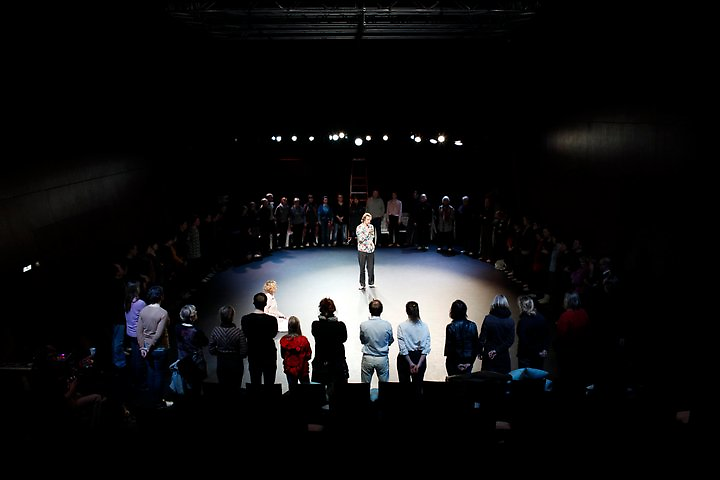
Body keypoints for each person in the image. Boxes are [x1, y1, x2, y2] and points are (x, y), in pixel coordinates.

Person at [137, 285, 172, 409]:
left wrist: (143, 347)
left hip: (147, 348)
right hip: (159, 348)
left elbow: (139, 332)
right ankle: (158, 402)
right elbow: (158, 335)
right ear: (161, 296)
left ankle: (152, 399)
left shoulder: (143, 310)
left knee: (150, 372)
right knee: (159, 374)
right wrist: (148, 347)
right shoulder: (163, 312)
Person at [311, 298, 349, 398]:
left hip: (321, 363)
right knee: (339, 396)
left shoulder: (316, 325)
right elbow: (344, 339)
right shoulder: (340, 326)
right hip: (337, 363)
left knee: (320, 397)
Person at [208, 304, 248, 396]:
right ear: (232, 317)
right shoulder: (238, 332)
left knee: (224, 389)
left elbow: (211, 349)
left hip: (222, 362)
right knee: (236, 389)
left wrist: (220, 353)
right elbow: (244, 351)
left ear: (220, 316)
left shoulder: (216, 331)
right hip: (236, 363)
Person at [240, 292, 279, 385]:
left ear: (254, 303)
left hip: (254, 354)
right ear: (265, 304)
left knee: (255, 383)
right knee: (269, 384)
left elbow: (245, 334)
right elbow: (273, 334)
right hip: (269, 354)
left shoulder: (245, 319)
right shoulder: (272, 320)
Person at [175, 304, 209, 399]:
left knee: (186, 384)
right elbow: (205, 342)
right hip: (196, 362)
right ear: (192, 317)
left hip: (182, 360)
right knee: (196, 385)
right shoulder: (197, 331)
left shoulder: (177, 327)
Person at [396, 300, 431, 393]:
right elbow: (426, 347)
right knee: (418, 388)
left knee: (404, 389)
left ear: (406, 311)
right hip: (419, 357)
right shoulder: (424, 326)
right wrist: (418, 364)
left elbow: (402, 348)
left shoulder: (401, 326)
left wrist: (410, 363)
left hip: (405, 359)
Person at [478, 294, 516, 374]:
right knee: (503, 379)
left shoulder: (488, 319)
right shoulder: (510, 321)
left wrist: (480, 351)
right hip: (503, 355)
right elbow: (510, 340)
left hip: (489, 354)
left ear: (494, 304)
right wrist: (497, 350)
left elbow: (482, 338)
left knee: (488, 378)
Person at [359, 299, 394, 384]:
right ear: (381, 310)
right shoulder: (387, 325)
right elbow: (390, 340)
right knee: (384, 386)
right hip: (382, 358)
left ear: (370, 310)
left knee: (365, 386)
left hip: (368, 357)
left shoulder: (363, 325)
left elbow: (362, 340)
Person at [444, 299, 479, 377]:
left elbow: (449, 349)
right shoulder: (473, 325)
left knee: (453, 383)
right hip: (468, 362)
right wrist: (469, 363)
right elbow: (476, 346)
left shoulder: (450, 327)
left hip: (453, 363)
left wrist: (457, 364)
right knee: (465, 383)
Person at [516, 295, 549, 370]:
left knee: (525, 376)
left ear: (522, 307)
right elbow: (546, 335)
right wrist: (545, 349)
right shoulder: (541, 318)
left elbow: (524, 341)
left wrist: (536, 352)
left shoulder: (523, 322)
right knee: (537, 375)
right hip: (539, 355)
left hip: (526, 357)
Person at [279, 316, 312, 390]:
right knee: (307, 392)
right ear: (298, 326)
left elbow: (283, 355)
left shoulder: (284, 340)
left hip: (289, 369)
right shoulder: (303, 340)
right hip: (303, 369)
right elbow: (309, 355)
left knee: (293, 391)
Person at [356, 212, 376, 290]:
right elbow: (360, 239)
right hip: (362, 250)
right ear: (364, 219)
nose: (369, 221)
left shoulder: (371, 227)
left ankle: (371, 282)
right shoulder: (359, 227)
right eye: (367, 219)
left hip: (370, 249)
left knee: (370, 267)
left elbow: (372, 236)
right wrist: (367, 233)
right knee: (362, 267)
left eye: (370, 220)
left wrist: (369, 241)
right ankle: (362, 284)